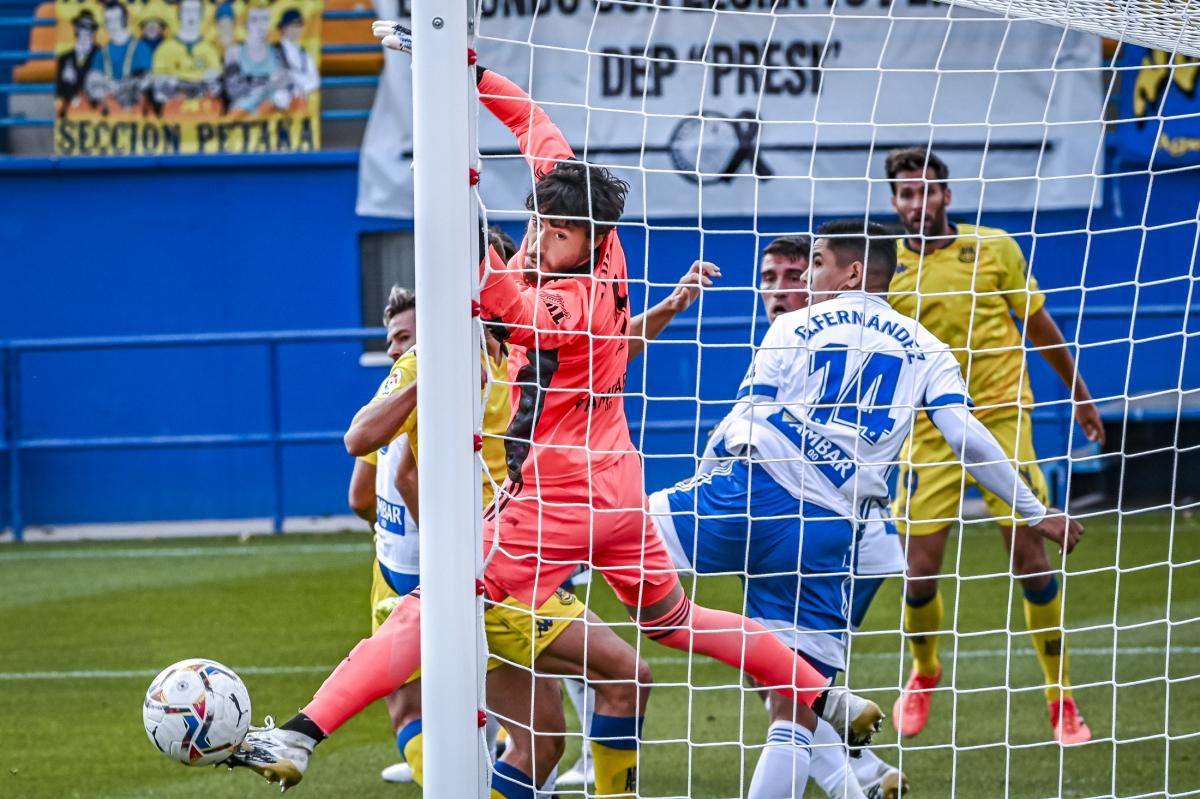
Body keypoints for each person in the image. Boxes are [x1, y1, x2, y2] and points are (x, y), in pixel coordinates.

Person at [650, 219, 1083, 798]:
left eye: (818, 261)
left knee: (593, 533)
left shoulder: (794, 324)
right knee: (794, 706)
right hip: (833, 532)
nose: (807, 273)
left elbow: (745, 421)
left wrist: (706, 479)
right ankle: (862, 773)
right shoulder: (927, 347)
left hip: (755, 493)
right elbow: (967, 437)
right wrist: (1035, 510)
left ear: (852, 271)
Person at [884, 147, 1105, 744]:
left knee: (1030, 557)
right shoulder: (884, 267)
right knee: (918, 575)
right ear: (893, 201)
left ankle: (1060, 696)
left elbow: (1039, 325)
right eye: (905, 194)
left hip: (1004, 420)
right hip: (928, 432)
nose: (917, 203)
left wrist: (1080, 395)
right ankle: (925, 671)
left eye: (927, 191)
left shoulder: (995, 247)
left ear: (947, 195)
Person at [343, 286, 419, 784]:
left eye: (404, 337)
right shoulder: (489, 373)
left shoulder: (402, 391)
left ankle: (440, 771)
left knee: (407, 703)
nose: (394, 349)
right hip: (464, 555)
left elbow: (361, 495)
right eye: (390, 338)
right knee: (501, 680)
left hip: (401, 565)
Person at [55, 10, 100, 112]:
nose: (85, 31)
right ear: (76, 28)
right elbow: (59, 92)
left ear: (93, 31)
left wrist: (74, 78)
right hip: (71, 113)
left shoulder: (101, 55)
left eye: (89, 27)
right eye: (82, 26)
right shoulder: (64, 58)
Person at [274, 8, 320, 104]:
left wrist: (301, 90)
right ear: (284, 28)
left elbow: (315, 79)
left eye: (298, 26)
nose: (295, 30)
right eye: (292, 26)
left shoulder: (304, 54)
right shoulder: (274, 51)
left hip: (298, 103)